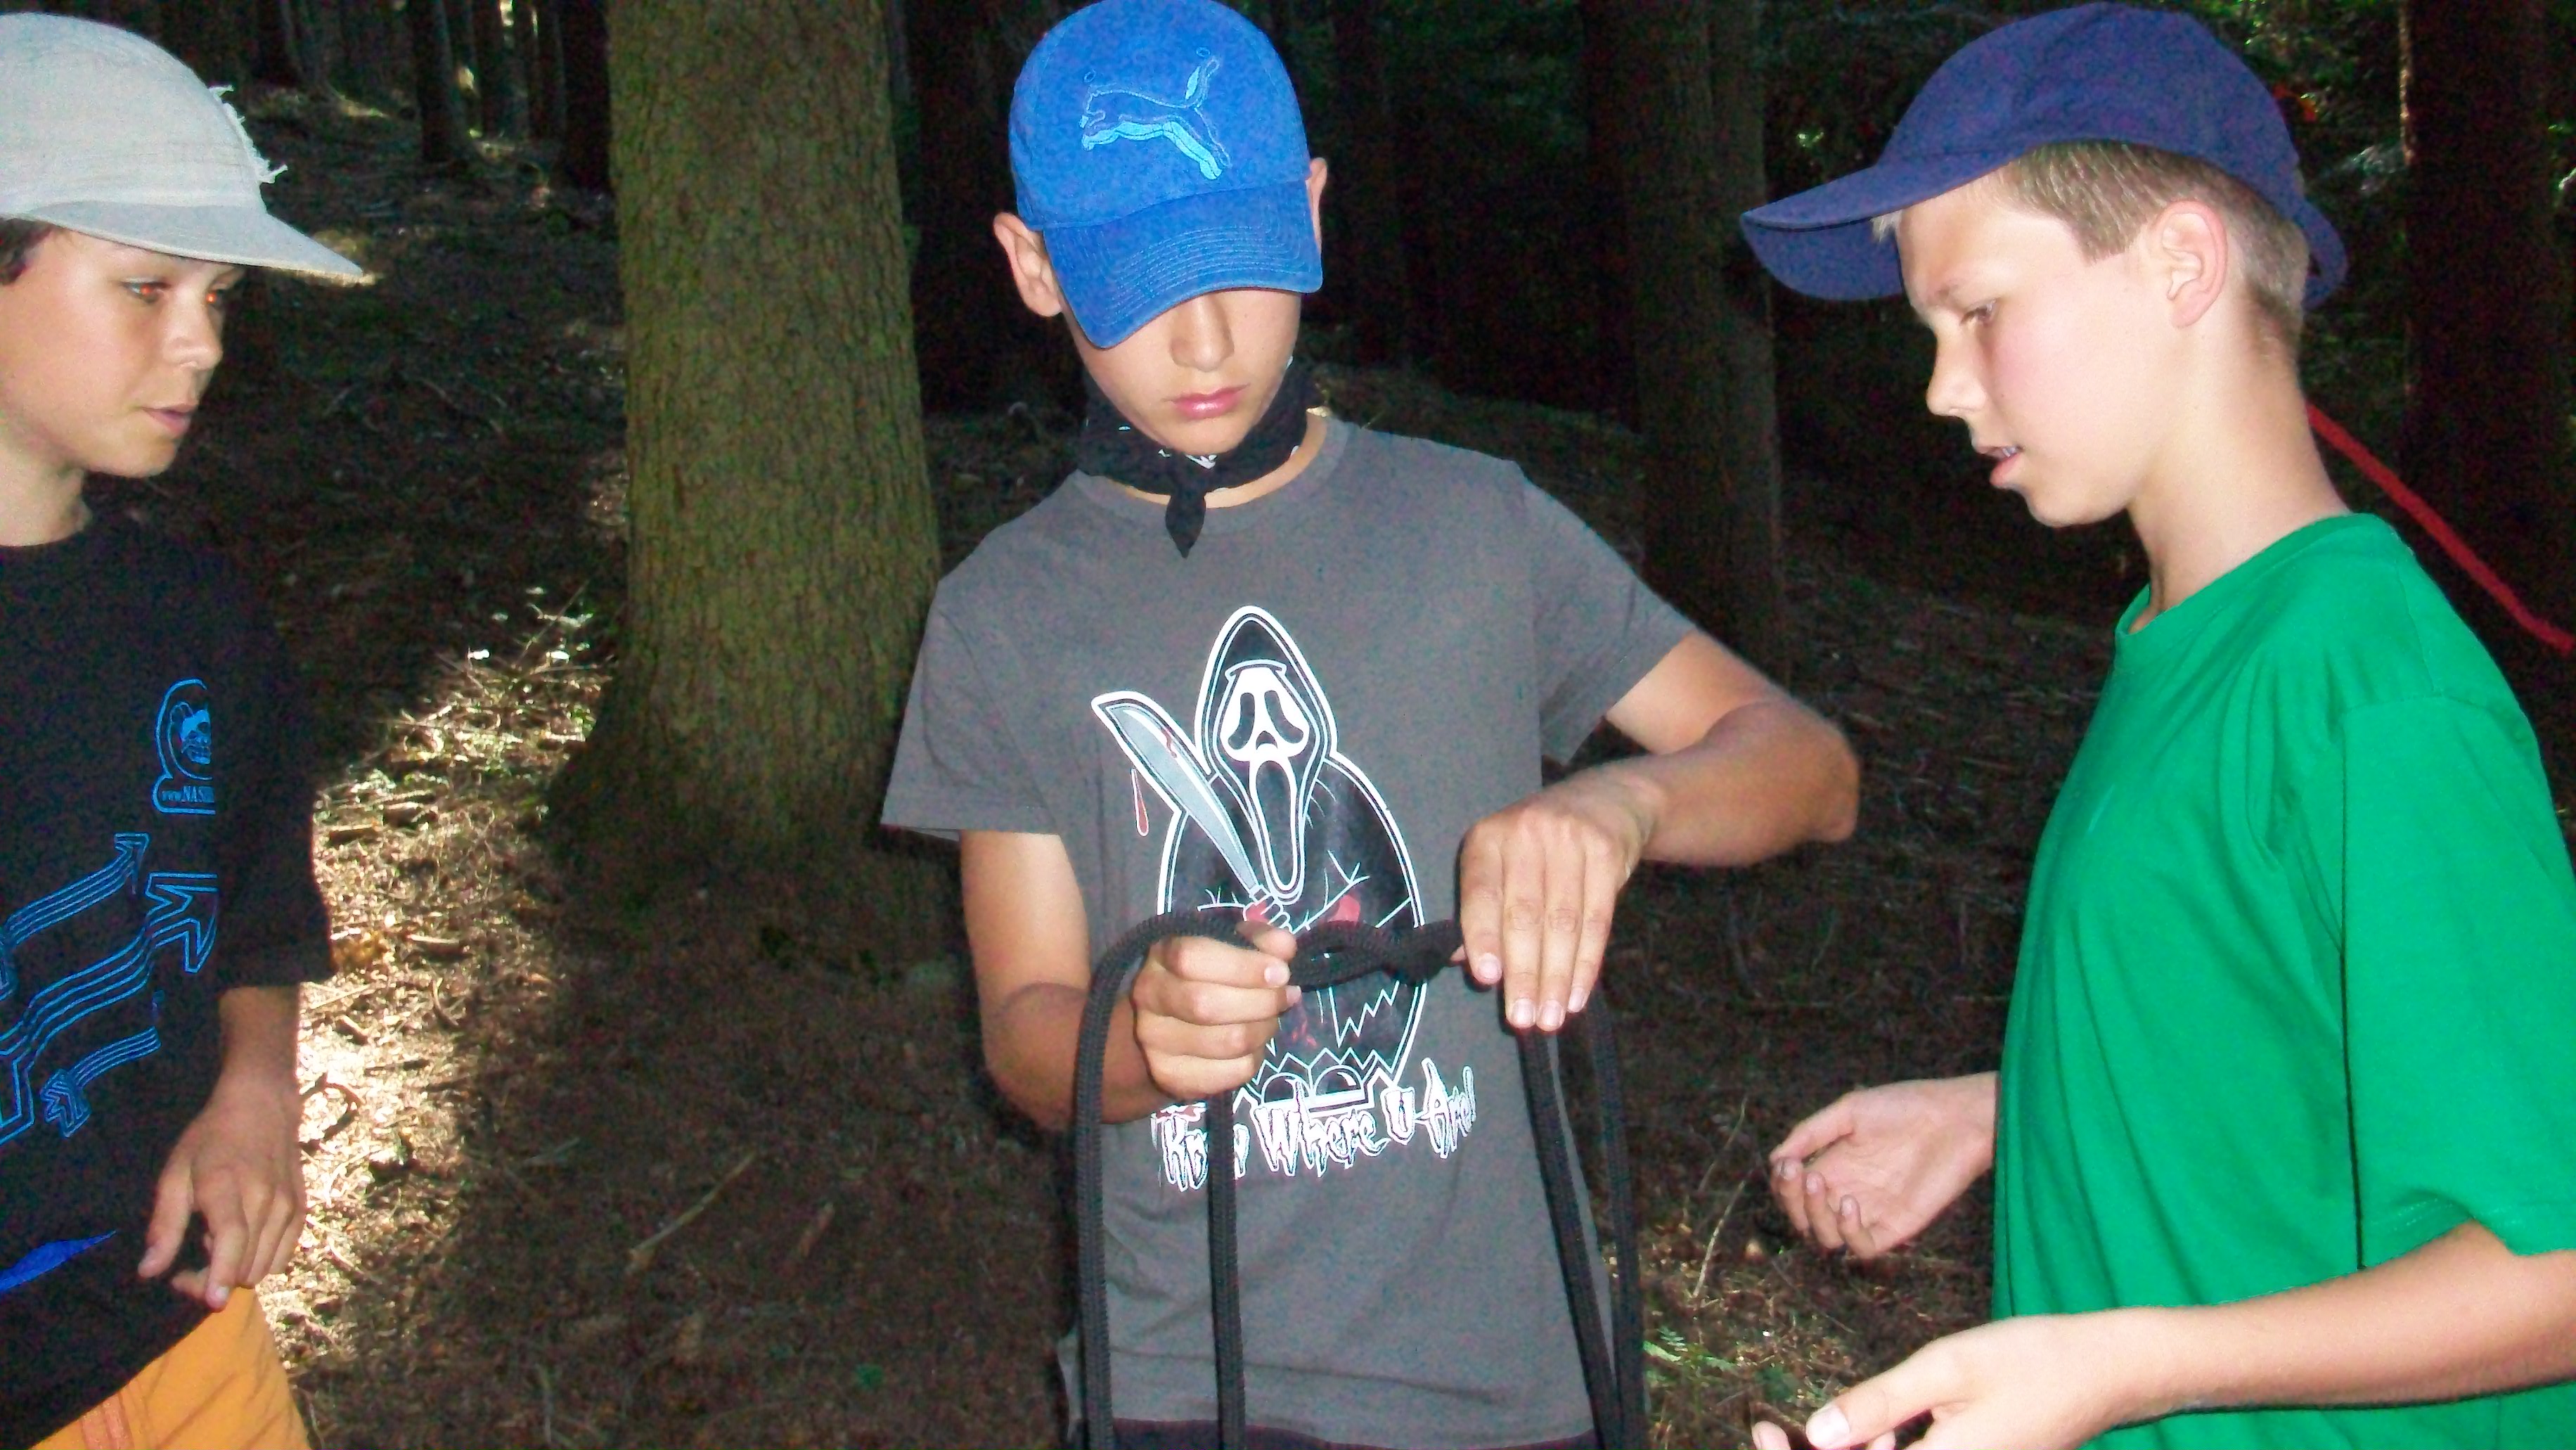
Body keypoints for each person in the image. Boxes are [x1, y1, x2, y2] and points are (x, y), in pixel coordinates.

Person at [880, 2, 1858, 1446]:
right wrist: (1139, 1038)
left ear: (1314, 214)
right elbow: (1029, 1034)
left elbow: (1810, 769)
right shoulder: (1002, 616)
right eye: (1139, 284)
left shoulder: (1473, 529)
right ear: (1034, 267)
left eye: (1240, 265)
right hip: (1192, 1384)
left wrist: (1621, 803)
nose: (1203, 337)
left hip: (1512, 1377)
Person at [1733, 6, 2576, 1449]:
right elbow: (2281, 1032)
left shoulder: (2364, 689)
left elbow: (2549, 1269)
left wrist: (2121, 1369)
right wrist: (2017, 1106)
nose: (1940, 386)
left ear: (2181, 264)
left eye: (1977, 311)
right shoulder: (2180, 644)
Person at [0, 16, 361, 1450]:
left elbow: (255, 908)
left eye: (218, 295)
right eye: (146, 286)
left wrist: (255, 1086)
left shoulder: (195, 620)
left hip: (181, 1321)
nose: (202, 341)